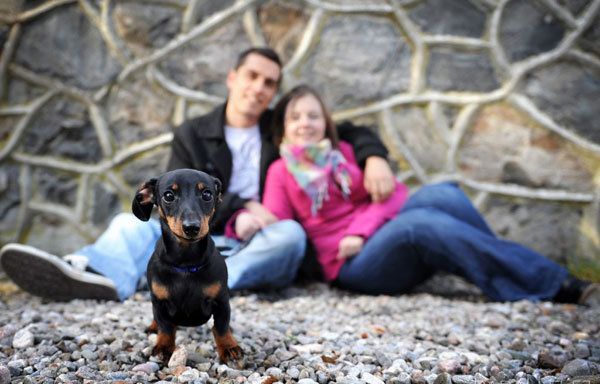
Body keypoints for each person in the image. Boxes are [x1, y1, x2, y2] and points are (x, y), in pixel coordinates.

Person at [0, 48, 396, 302]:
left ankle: (198, 287)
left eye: (269, 82)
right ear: (232, 78)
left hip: (259, 239)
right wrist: (241, 207)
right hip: (197, 231)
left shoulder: (281, 127)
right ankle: (93, 272)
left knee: (290, 236)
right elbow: (177, 196)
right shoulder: (192, 133)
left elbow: (346, 130)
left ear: (274, 92)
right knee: (128, 223)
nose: (259, 88)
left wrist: (374, 156)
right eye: (252, 76)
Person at [258, 84, 600, 306]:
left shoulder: (346, 152)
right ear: (283, 128)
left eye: (313, 115)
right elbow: (284, 232)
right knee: (420, 223)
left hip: (371, 234)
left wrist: (360, 229)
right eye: (295, 116)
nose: (305, 123)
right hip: (351, 265)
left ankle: (507, 270)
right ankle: (554, 284)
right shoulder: (280, 172)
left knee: (444, 194)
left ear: (326, 123)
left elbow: (395, 195)